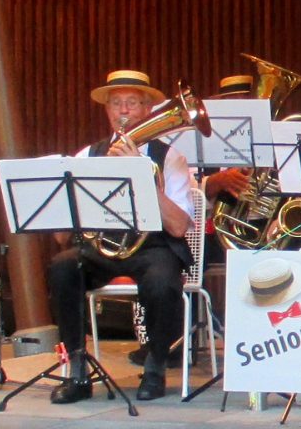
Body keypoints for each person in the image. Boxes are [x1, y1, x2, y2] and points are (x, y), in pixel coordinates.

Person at [45, 69, 194, 404]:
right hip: (102, 248)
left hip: (152, 246)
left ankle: (155, 367)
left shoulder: (169, 158)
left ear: (146, 110)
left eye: (132, 103)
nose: (123, 111)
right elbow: (60, 237)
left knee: (161, 279)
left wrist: (140, 174)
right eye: (116, 104)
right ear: (107, 111)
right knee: (62, 267)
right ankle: (78, 369)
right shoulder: (88, 155)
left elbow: (179, 226)